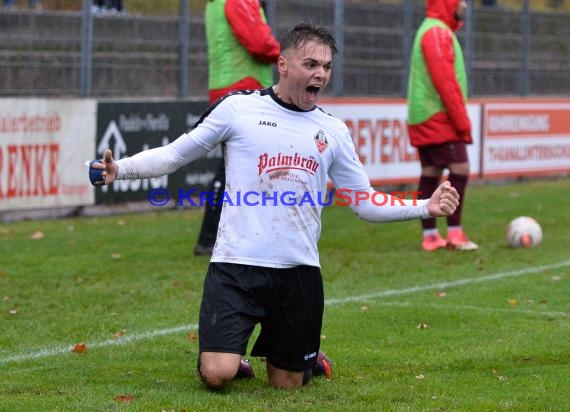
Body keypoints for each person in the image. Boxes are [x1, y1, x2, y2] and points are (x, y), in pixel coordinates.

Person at [89, 23, 460, 390]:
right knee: (217, 374)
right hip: (235, 267)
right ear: (283, 65)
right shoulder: (238, 108)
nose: (321, 74)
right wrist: (119, 170)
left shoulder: (333, 131)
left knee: (287, 386)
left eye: (327, 67)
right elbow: (174, 156)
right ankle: (232, 356)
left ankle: (307, 359)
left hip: (298, 274)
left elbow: (364, 203)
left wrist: (425, 206)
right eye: (311, 64)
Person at [194, 0, 280, 257]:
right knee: (236, 168)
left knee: (237, 167)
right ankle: (211, 237)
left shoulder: (215, 3)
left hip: (227, 85)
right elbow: (258, 43)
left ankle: (217, 236)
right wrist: (287, 55)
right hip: (243, 87)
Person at [406, 0, 479, 251]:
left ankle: (430, 236)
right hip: (437, 115)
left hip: (424, 114)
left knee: (431, 173)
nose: (466, 6)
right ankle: (455, 234)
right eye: (462, 1)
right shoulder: (436, 32)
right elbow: (445, 83)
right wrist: (462, 122)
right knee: (460, 168)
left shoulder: (434, 29)